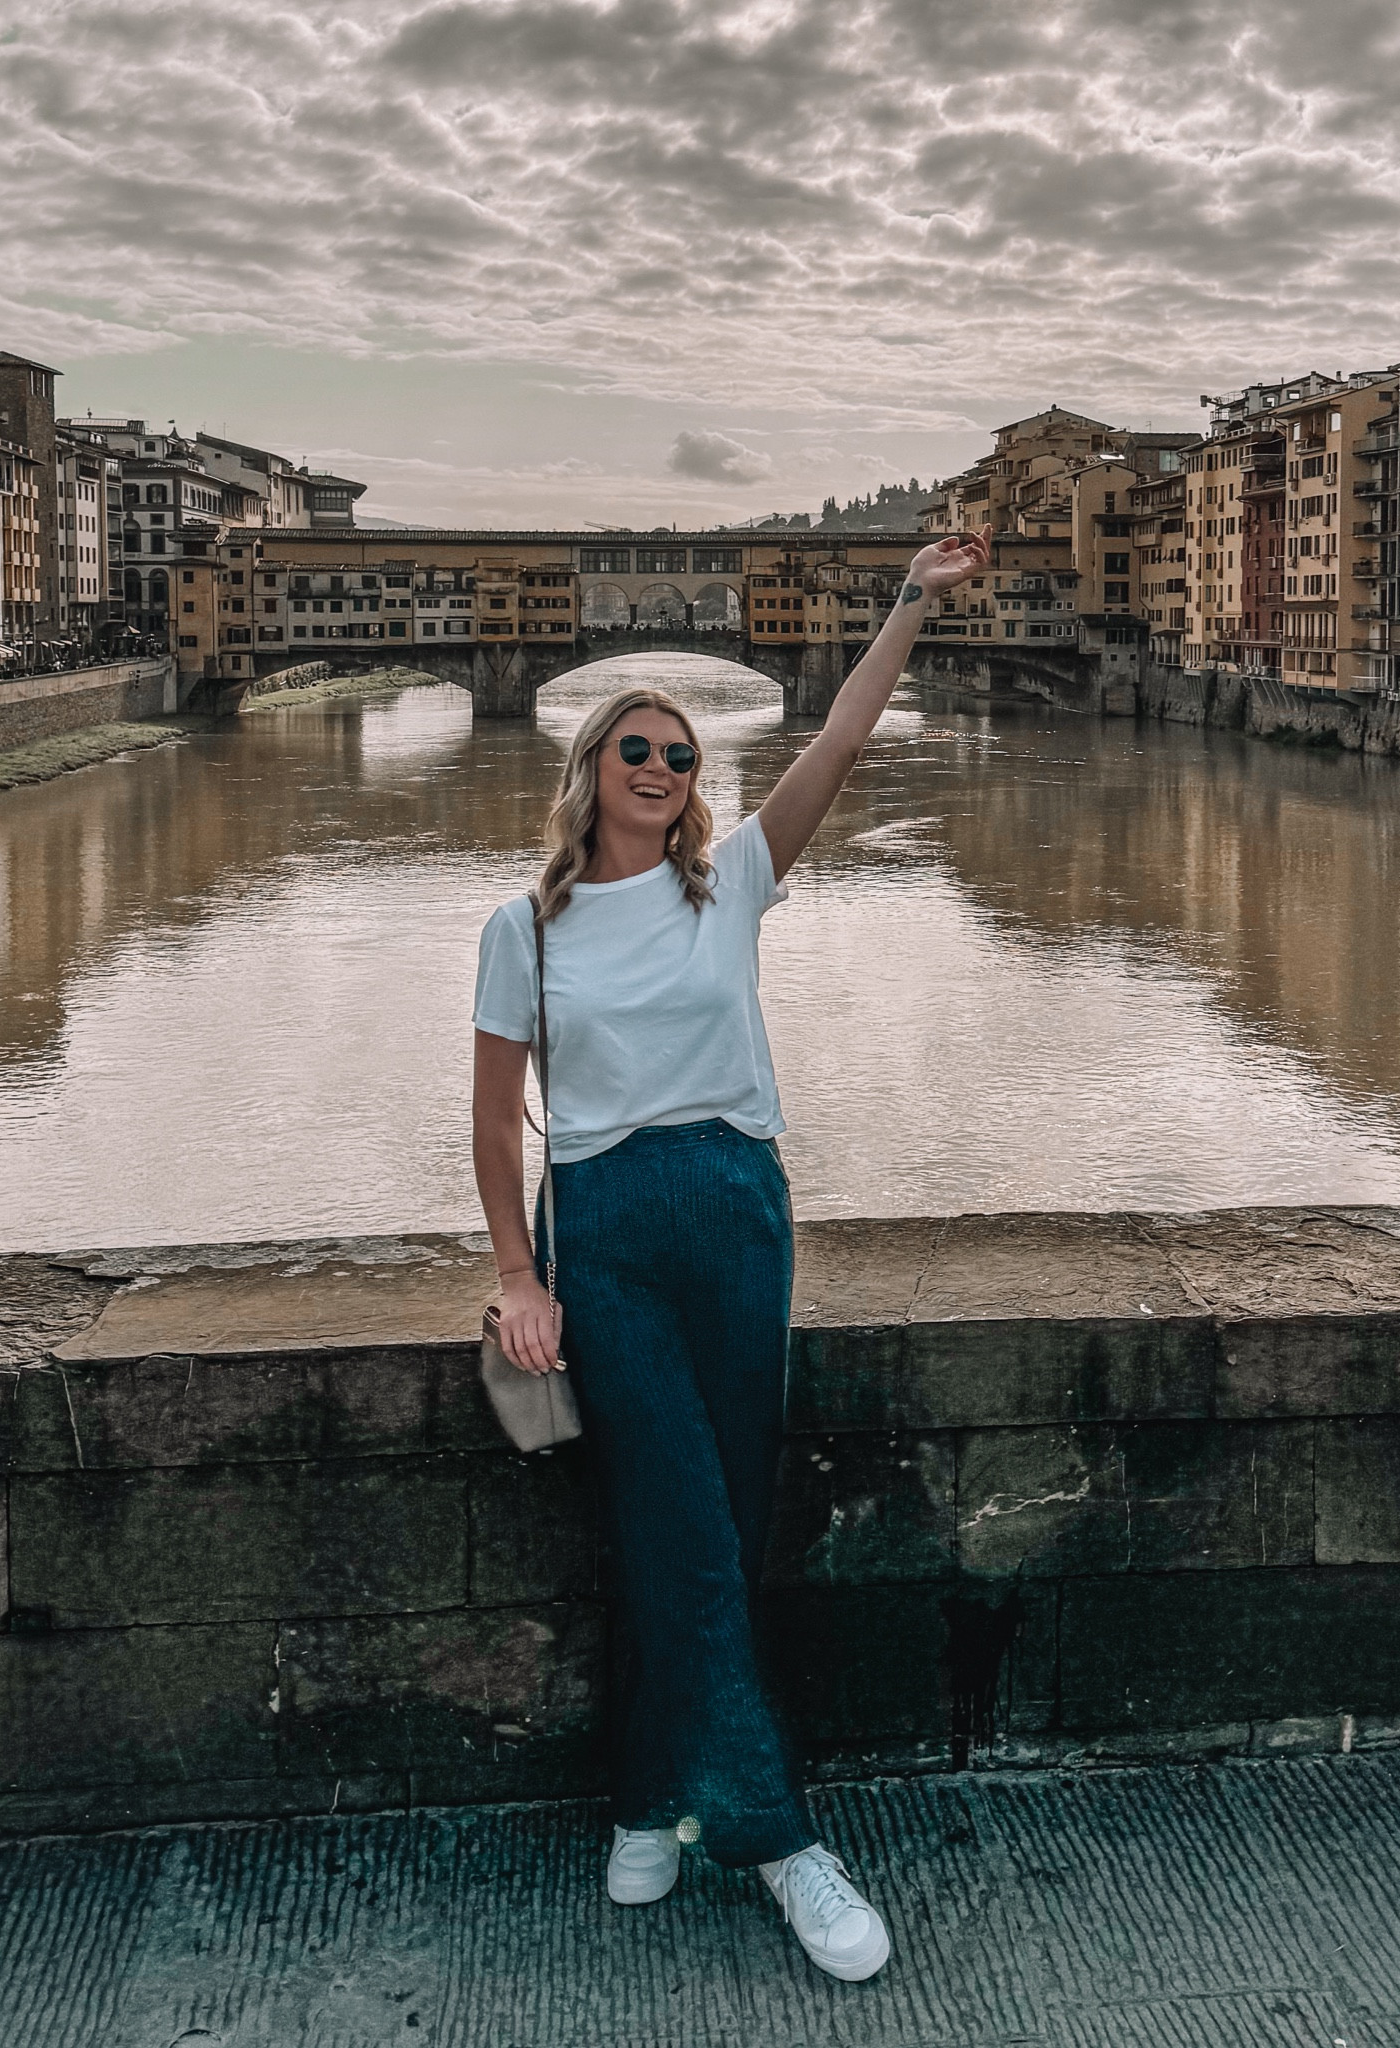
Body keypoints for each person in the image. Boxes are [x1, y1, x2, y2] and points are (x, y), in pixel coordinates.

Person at [471, 528, 993, 1982]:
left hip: (741, 1211)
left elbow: (837, 734)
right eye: (638, 748)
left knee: (716, 1520)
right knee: (684, 1521)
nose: (663, 769)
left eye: (683, 756)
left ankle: (648, 1799)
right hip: (613, 1228)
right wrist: (521, 1276)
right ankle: (776, 1842)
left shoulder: (736, 882)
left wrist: (904, 606)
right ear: (592, 768)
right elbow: (493, 1126)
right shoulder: (524, 930)